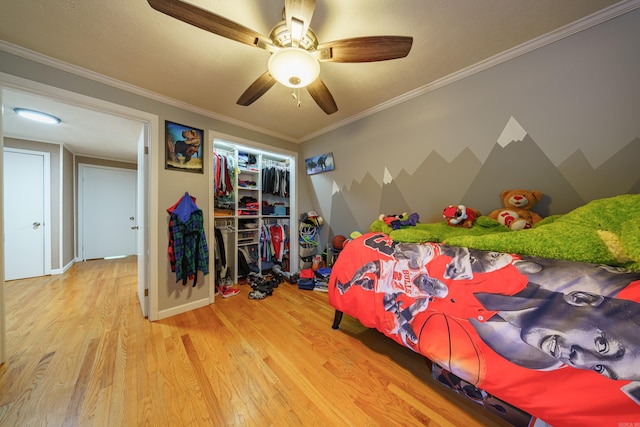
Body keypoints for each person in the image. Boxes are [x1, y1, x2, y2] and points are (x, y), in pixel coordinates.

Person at [471, 283, 640, 381]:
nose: (578, 360)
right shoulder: (500, 277)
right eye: (602, 345)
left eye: (599, 368)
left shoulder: (532, 359)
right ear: (582, 298)